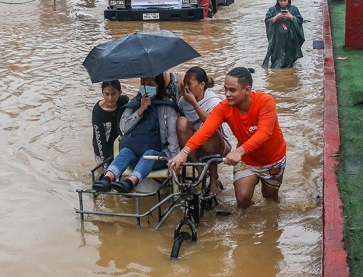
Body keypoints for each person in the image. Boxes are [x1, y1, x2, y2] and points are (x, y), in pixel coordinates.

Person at [169, 67, 287, 209]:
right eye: (225, 89)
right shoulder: (224, 107)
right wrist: (184, 153)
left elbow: (264, 133)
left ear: (247, 90)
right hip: (247, 160)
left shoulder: (265, 102)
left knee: (270, 199)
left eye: (232, 90)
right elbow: (206, 130)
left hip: (272, 159)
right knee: (242, 200)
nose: (227, 94)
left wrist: (239, 151)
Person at [92, 75, 181, 193]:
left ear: (158, 86)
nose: (146, 87)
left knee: (148, 155)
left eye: (150, 84)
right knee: (125, 151)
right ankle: (107, 178)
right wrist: (140, 110)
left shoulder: (167, 108)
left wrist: (174, 161)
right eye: (143, 83)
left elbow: (173, 139)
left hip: (158, 154)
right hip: (135, 150)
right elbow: (123, 127)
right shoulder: (134, 103)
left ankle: (130, 182)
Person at [176, 67, 232, 197]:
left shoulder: (214, 101)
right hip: (193, 146)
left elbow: (211, 124)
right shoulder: (183, 102)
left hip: (216, 143)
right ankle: (200, 169)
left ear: (201, 85)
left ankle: (213, 180)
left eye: (189, 84)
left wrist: (194, 103)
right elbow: (183, 128)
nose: (186, 87)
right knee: (181, 122)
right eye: (184, 83)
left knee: (207, 130)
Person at [91, 80, 130, 169]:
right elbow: (99, 139)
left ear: (120, 92)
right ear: (102, 93)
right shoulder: (98, 112)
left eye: (113, 94)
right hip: (102, 149)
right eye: (107, 94)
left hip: (119, 146)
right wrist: (105, 165)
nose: (110, 98)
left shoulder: (124, 102)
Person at [262, 0, 305, 69]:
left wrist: (291, 17)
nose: (282, 2)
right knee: (276, 59)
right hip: (277, 40)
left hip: (290, 38)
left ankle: (289, 68)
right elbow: (267, 22)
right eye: (280, 1)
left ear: (288, 0)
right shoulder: (272, 10)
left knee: (290, 59)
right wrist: (277, 17)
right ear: (277, 1)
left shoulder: (294, 9)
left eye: (284, 0)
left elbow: (300, 21)